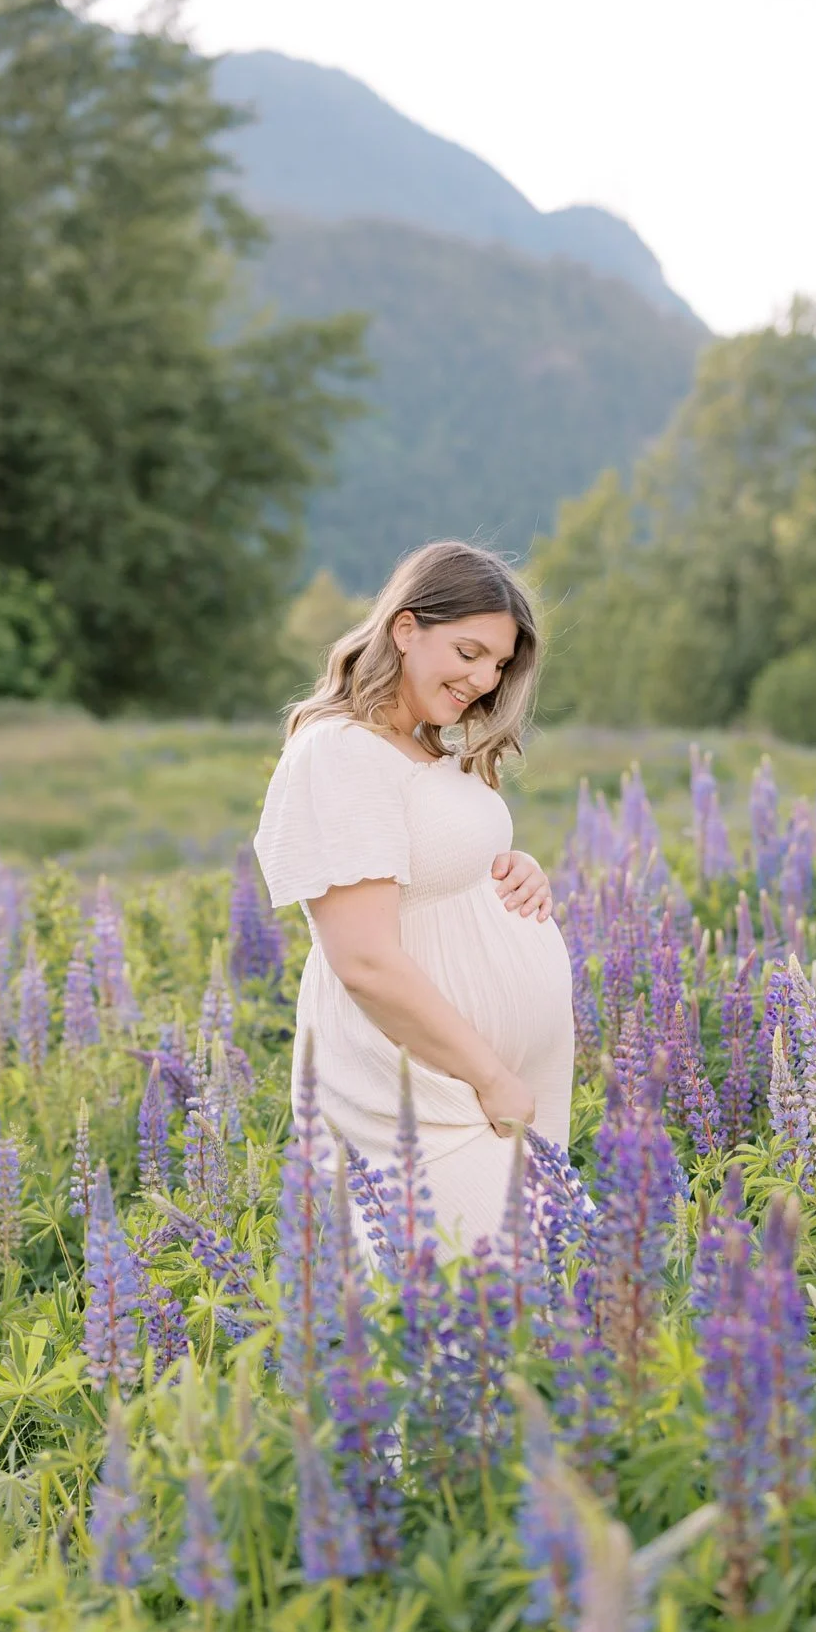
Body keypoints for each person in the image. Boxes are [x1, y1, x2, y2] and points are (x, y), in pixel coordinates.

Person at [253, 539, 574, 1258]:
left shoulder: (430, 747)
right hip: (427, 1090)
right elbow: (363, 960)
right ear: (405, 628)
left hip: (483, 1083)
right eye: (468, 652)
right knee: (463, 1323)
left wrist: (517, 871)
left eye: (498, 664)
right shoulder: (339, 750)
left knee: (529, 1318)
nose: (483, 680)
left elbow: (437, 868)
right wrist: (490, 1076)